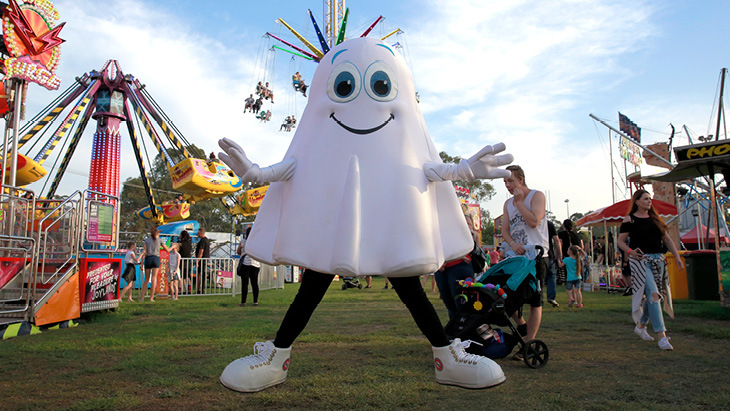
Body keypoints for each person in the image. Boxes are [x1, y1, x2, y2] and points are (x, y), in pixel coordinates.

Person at [617, 189, 683, 351]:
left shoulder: (655, 219)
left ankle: (641, 325)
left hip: (659, 260)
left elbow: (667, 239)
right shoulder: (630, 220)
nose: (649, 201)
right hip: (641, 261)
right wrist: (631, 252)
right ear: (637, 201)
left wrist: (677, 257)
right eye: (645, 199)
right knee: (653, 294)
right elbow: (620, 241)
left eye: (650, 199)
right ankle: (662, 336)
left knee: (655, 296)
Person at [500, 165, 548, 343]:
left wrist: (520, 203)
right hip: (516, 257)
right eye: (505, 182)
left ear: (521, 179)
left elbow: (534, 221)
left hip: (536, 255)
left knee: (535, 299)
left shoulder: (537, 196)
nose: (507, 185)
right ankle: (521, 324)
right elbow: (505, 230)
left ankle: (529, 341)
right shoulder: (507, 204)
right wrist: (512, 243)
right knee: (505, 293)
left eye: (510, 181)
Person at [140, 227, 171, 302]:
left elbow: (144, 252)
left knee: (146, 279)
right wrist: (173, 246)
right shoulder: (159, 240)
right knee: (154, 278)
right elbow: (167, 250)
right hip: (156, 258)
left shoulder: (146, 241)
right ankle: (151, 298)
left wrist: (141, 263)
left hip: (148, 258)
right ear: (157, 234)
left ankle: (142, 297)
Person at [237, 226, 261, 306]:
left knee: (244, 284)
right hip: (255, 264)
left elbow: (238, 252)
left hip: (245, 264)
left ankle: (243, 302)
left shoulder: (243, 241)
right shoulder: (257, 242)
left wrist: (241, 249)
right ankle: (255, 301)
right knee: (254, 283)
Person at [545, 220, 561, 307]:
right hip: (548, 253)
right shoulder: (549, 224)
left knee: (536, 277)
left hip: (534, 253)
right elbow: (556, 240)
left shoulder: (531, 223)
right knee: (551, 276)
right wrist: (559, 254)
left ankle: (535, 297)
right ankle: (551, 297)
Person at [195, 228, 211, 294]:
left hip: (202, 260)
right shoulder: (207, 240)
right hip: (206, 259)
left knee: (200, 274)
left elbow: (201, 251)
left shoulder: (202, 241)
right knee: (203, 274)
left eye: (198, 233)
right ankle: (202, 289)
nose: (197, 234)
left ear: (201, 233)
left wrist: (198, 260)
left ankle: (200, 289)